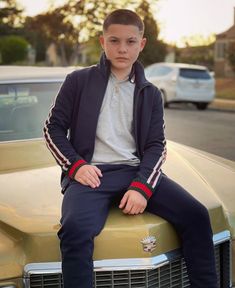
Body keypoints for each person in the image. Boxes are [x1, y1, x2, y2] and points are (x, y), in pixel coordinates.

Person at [43, 9, 218, 288]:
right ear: (102, 42)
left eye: (130, 41)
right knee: (75, 229)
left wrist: (141, 187)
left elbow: (156, 145)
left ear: (142, 43)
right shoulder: (78, 81)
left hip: (136, 171)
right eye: (114, 41)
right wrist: (76, 166)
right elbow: (52, 128)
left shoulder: (150, 93)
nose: (122, 48)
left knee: (196, 215)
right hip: (91, 175)